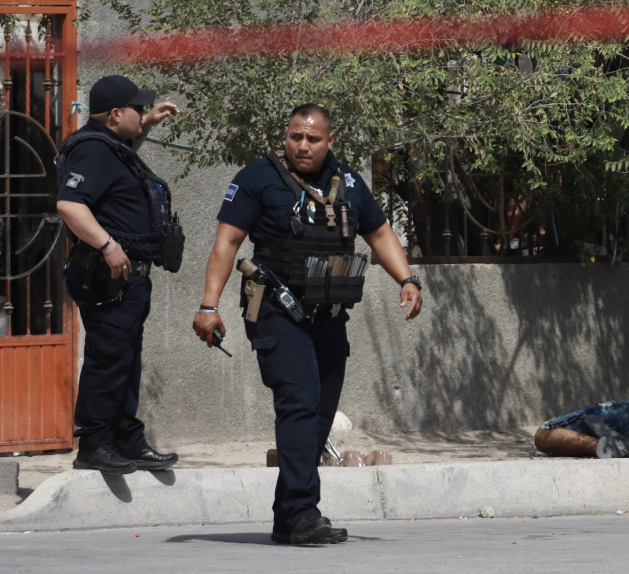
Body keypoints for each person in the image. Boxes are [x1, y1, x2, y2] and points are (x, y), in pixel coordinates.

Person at [192, 104, 423, 546]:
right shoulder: (257, 178)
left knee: (318, 414)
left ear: (329, 141)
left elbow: (379, 233)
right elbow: (227, 241)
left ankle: (287, 516)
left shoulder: (348, 181)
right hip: (276, 311)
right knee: (298, 402)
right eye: (295, 136)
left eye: (312, 138)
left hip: (329, 314)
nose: (302, 145)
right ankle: (303, 513)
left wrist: (407, 280)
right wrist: (208, 305)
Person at [56, 75, 181, 475]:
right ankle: (94, 444)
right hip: (107, 276)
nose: (141, 113)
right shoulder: (92, 150)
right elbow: (70, 205)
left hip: (129, 279)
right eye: (137, 109)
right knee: (108, 359)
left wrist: (146, 126)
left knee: (125, 359)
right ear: (115, 114)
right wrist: (108, 245)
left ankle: (126, 438)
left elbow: (120, 164)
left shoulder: (110, 146)